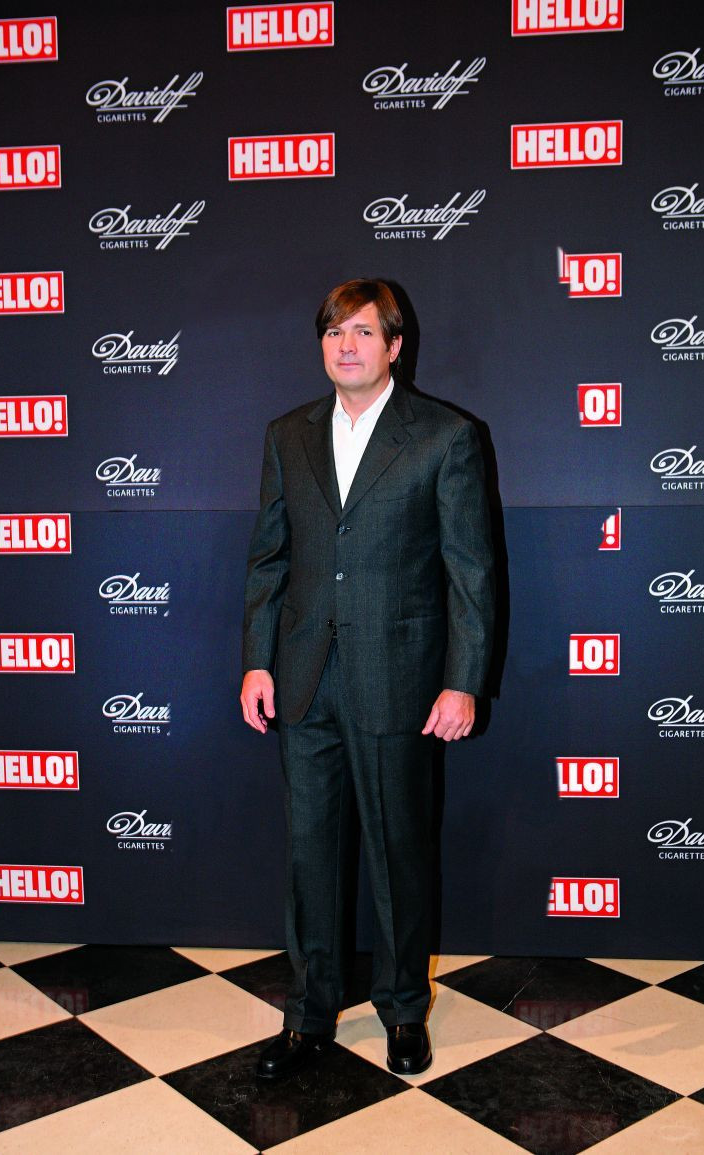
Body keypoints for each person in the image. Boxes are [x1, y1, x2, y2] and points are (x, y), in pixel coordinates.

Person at [240, 278, 494, 1079]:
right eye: (332, 331)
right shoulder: (287, 435)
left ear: (394, 346)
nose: (345, 345)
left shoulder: (445, 436)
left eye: (361, 331)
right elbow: (270, 559)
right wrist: (257, 660)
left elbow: (470, 571)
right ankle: (310, 1015)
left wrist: (462, 680)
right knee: (310, 857)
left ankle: (404, 1010)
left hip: (400, 681)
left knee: (397, 853)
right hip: (303, 679)